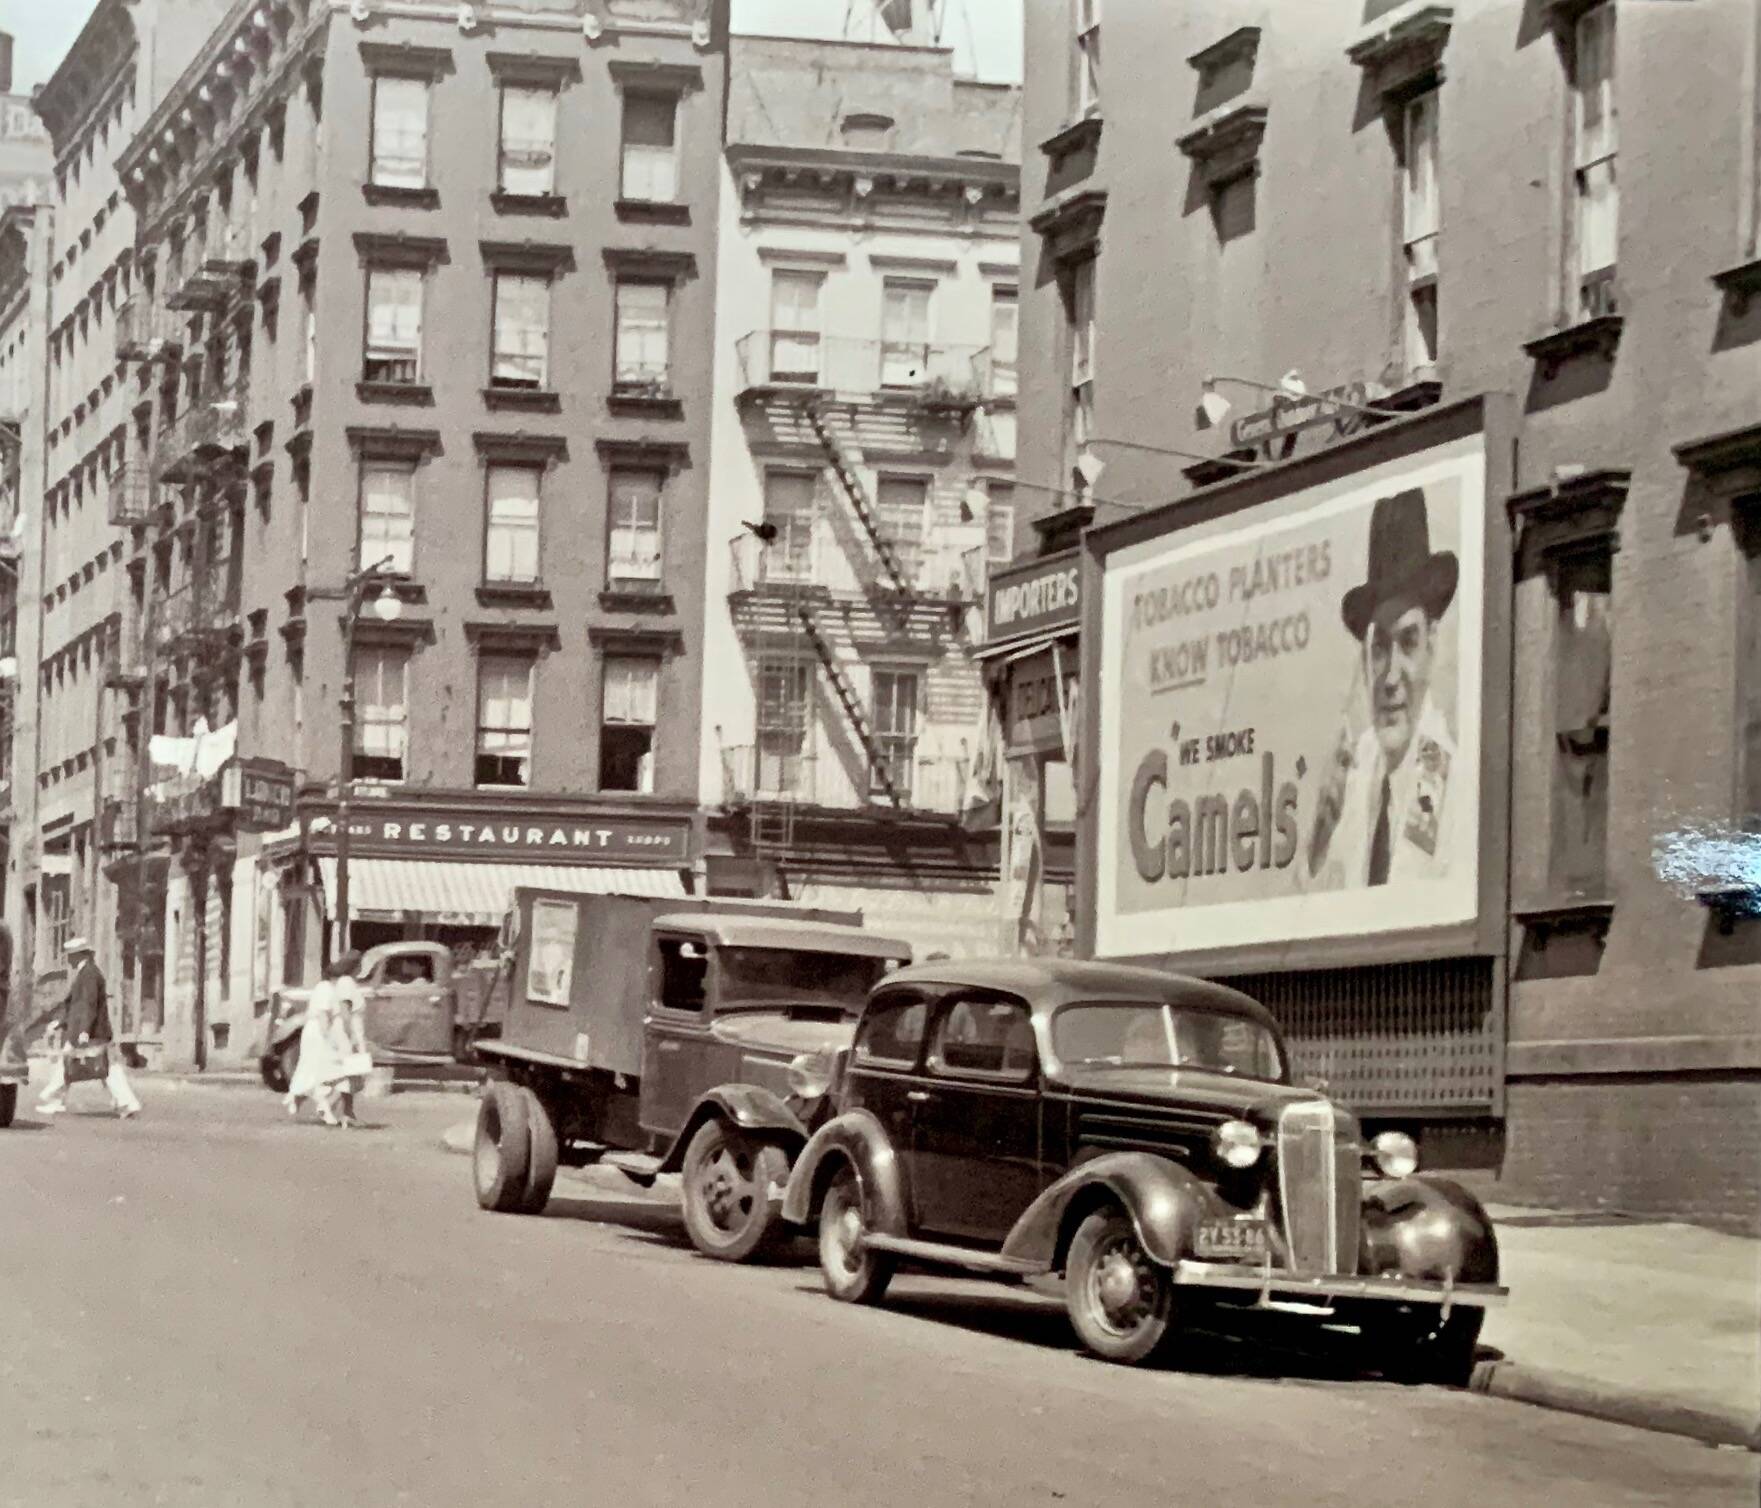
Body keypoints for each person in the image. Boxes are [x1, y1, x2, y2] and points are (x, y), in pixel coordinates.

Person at [1307, 487, 1459, 889]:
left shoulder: (1441, 773)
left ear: (1432, 644)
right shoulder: (1359, 771)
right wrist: (1319, 840)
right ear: (1363, 660)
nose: (1391, 677)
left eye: (1408, 643)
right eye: (1379, 649)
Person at [35, 937, 142, 1120]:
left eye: (70, 955)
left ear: (79, 955)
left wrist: (84, 1030)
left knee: (75, 1064)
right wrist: (61, 1023)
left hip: (90, 1032)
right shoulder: (87, 973)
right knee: (106, 1068)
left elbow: (88, 1004)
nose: (68, 959)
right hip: (92, 1030)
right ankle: (127, 1103)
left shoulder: (89, 974)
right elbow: (76, 1006)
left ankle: (54, 1100)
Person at [284, 952, 362, 1127]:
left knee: (319, 1070)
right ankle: (320, 1104)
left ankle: (299, 1097)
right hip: (318, 1033)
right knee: (324, 1070)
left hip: (324, 1031)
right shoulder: (325, 988)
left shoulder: (335, 988)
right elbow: (323, 1016)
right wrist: (330, 1038)